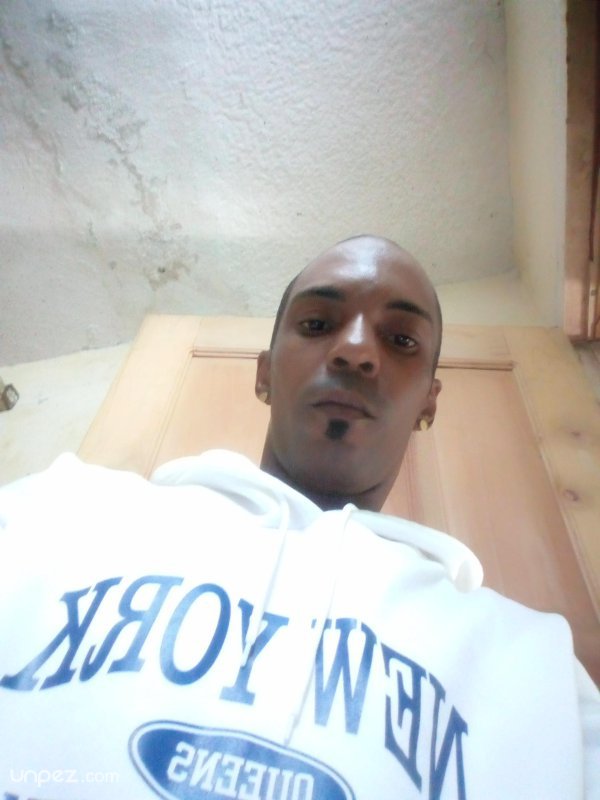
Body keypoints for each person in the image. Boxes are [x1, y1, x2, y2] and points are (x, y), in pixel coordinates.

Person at [0, 235, 598, 800]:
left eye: (400, 340)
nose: (356, 350)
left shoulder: (537, 670)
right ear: (264, 373)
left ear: (429, 402)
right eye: (316, 325)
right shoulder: (57, 517)